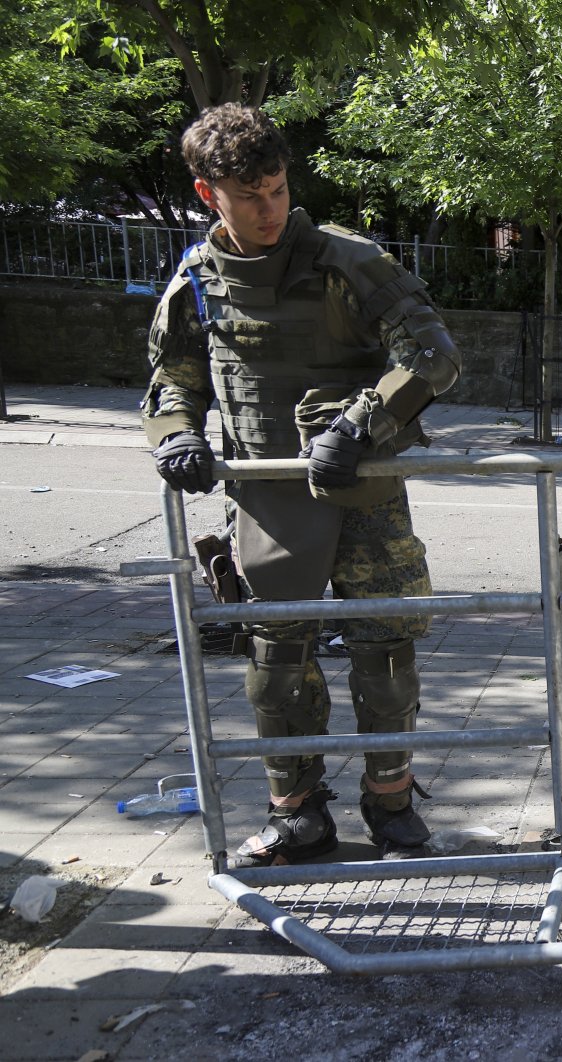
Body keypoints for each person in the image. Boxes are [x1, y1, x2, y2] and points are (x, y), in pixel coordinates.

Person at [143, 104, 462, 865]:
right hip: (266, 497)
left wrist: (361, 425)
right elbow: (171, 378)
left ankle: (391, 808)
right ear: (205, 192)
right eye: (249, 196)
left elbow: (435, 355)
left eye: (279, 189)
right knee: (274, 666)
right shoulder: (198, 279)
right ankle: (297, 817)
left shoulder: (346, 261)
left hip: (363, 489)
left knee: (386, 655)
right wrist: (177, 434)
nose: (269, 209)